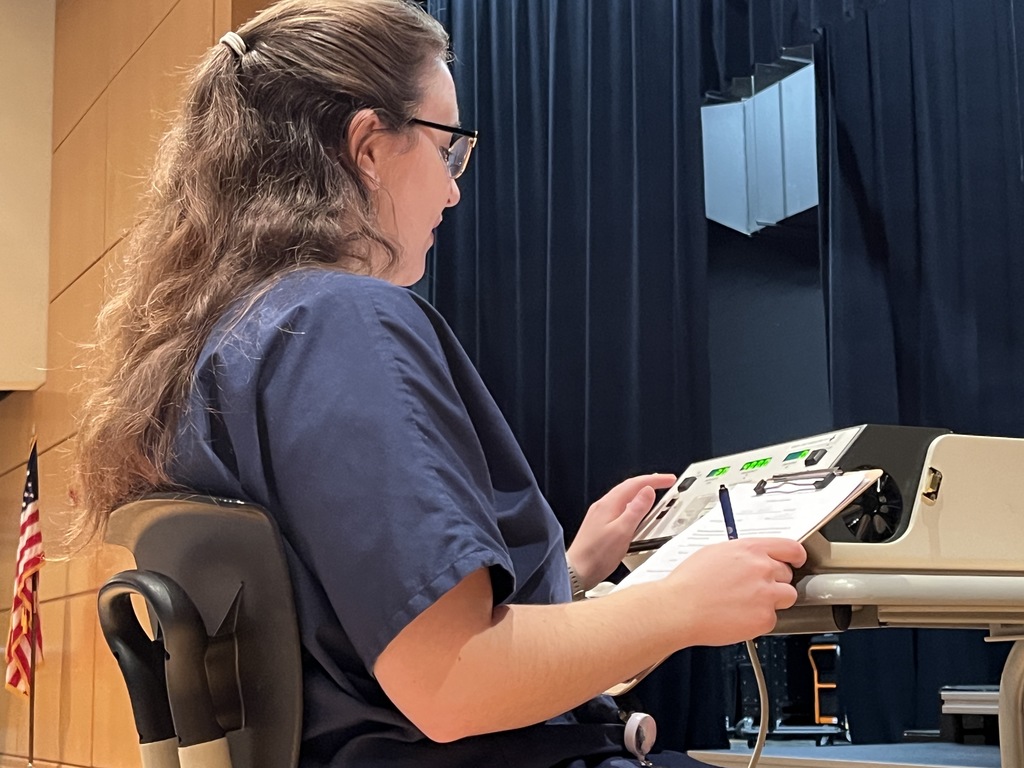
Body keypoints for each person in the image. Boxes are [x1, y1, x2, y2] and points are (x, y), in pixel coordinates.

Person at [72, 1, 807, 766]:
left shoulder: (224, 346)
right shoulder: (338, 325)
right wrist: (679, 605)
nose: (454, 190)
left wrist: (571, 573)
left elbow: (344, 635)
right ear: (366, 146)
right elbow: (455, 681)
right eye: (447, 146)